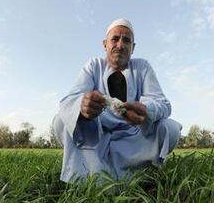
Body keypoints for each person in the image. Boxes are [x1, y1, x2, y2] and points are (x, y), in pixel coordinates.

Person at [52, 18, 182, 182]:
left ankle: (142, 170)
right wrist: (82, 106)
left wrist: (146, 109)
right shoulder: (94, 65)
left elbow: (163, 104)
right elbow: (70, 100)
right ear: (105, 44)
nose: (120, 45)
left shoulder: (142, 67)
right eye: (115, 39)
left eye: (126, 40)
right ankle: (90, 171)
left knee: (169, 129)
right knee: (60, 121)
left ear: (133, 48)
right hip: (98, 137)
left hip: (133, 138)